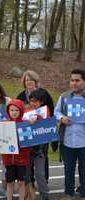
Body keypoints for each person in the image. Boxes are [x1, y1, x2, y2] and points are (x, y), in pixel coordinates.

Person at [17, 70, 56, 184]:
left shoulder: (43, 93)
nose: (29, 82)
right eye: (27, 80)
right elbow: (16, 112)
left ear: (36, 81)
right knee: (28, 158)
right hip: (28, 132)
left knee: (42, 156)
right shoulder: (21, 96)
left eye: (31, 80)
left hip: (42, 131)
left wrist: (51, 129)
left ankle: (44, 181)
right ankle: (30, 183)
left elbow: (51, 111)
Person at [54, 69, 85, 200]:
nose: (74, 83)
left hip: (83, 142)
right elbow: (56, 112)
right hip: (67, 141)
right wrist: (62, 118)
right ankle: (68, 194)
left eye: (77, 80)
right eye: (72, 80)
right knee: (68, 170)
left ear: (84, 81)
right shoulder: (64, 97)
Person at [2, 99, 30, 200]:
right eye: (12, 110)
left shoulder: (25, 124)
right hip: (8, 160)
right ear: (8, 111)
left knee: (21, 182)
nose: (14, 112)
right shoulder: (4, 124)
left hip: (22, 159)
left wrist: (34, 120)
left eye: (17, 110)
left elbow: (39, 119)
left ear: (21, 111)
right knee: (9, 183)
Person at [27, 88, 51, 200]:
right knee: (27, 173)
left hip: (40, 149)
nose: (32, 103)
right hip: (27, 148)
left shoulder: (46, 111)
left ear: (41, 101)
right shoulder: (26, 111)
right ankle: (29, 194)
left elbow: (46, 123)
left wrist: (37, 118)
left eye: (35, 101)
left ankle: (45, 194)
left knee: (40, 173)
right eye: (31, 101)